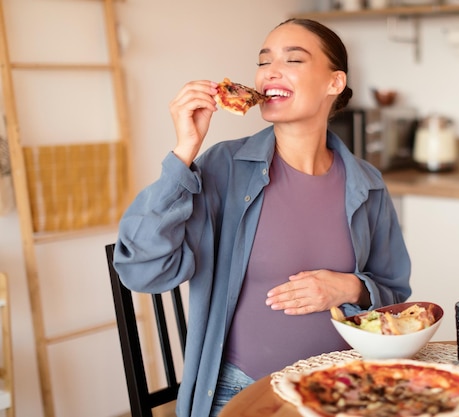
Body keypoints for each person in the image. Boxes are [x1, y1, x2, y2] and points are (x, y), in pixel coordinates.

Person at [113, 18, 411, 417]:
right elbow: (141, 271)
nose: (269, 71)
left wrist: (352, 288)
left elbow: (394, 293)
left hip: (343, 388)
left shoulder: (367, 183)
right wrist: (184, 152)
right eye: (263, 60)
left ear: (334, 83)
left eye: (293, 59)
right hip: (243, 392)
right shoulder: (224, 167)